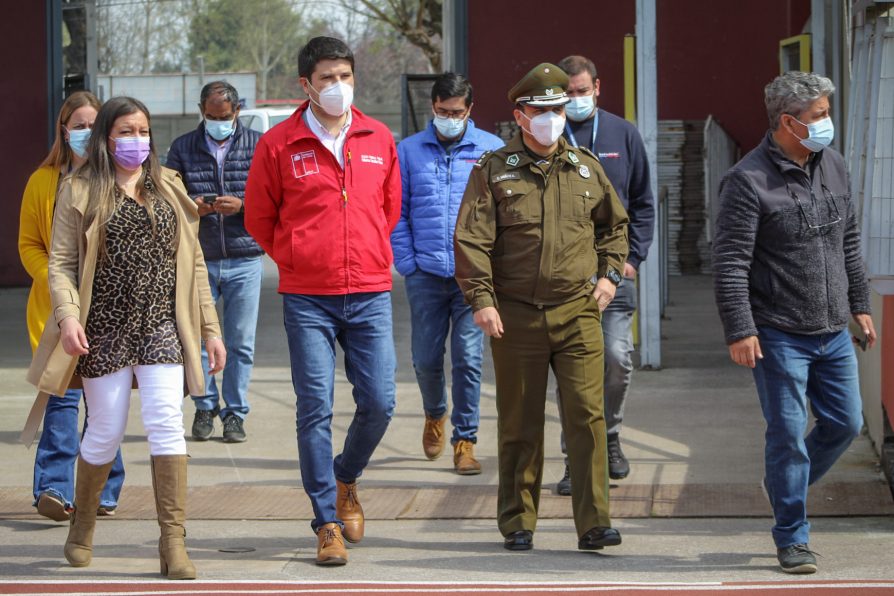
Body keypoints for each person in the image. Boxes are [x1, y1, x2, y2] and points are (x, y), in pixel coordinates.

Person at [26, 96, 225, 580]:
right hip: (104, 329)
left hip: (161, 325)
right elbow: (61, 264)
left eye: (142, 131)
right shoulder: (78, 189)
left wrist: (210, 329)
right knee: (105, 430)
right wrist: (70, 317)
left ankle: (173, 543)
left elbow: (193, 263)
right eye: (124, 132)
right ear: (105, 138)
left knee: (165, 423)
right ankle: (83, 529)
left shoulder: (170, 186)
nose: (136, 141)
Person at [454, 63, 629, 552]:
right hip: (516, 316)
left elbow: (615, 227)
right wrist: (481, 300)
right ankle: (517, 522)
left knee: (588, 418)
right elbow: (470, 238)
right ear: (521, 115)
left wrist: (609, 277)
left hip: (577, 313)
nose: (552, 117)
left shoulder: (586, 167)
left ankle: (594, 522)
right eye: (541, 110)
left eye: (557, 109)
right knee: (520, 422)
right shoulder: (494, 170)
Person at [245, 36, 400, 567]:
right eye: (327, 78)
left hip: (370, 291)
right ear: (305, 84)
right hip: (308, 297)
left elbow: (389, 208)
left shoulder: (378, 136)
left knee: (380, 402)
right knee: (313, 409)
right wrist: (296, 256)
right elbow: (258, 218)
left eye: (345, 76)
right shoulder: (280, 144)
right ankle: (326, 522)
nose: (338, 86)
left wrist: (368, 252)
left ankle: (346, 477)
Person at [712, 71, 875, 575]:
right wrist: (741, 330)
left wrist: (860, 304)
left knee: (845, 422)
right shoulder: (747, 180)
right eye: (819, 116)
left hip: (831, 330)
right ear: (789, 122)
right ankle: (792, 536)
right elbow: (730, 262)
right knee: (786, 433)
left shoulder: (836, 167)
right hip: (779, 331)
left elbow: (847, 242)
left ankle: (785, 484)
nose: (828, 124)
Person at [18, 91, 126, 522]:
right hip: (54, 314)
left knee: (104, 404)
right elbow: (29, 244)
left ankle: (101, 489)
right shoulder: (42, 181)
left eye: (92, 124)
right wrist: (57, 283)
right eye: (77, 124)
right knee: (60, 402)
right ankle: (53, 489)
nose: (85, 132)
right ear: (64, 131)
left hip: (107, 313)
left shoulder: (119, 178)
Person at [391, 73, 504, 475]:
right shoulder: (407, 152)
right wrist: (407, 262)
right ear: (432, 108)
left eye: (456, 112)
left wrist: (492, 268)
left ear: (469, 110)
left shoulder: (492, 151)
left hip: (472, 278)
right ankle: (434, 413)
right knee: (425, 358)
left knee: (469, 359)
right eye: (442, 111)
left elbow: (502, 216)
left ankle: (465, 439)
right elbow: (395, 212)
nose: (449, 118)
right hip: (425, 274)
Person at [552, 55, 655, 493]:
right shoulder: (547, 134)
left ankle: (609, 437)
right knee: (571, 370)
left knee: (615, 361)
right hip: (563, 279)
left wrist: (632, 259)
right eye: (567, 93)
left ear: (598, 87)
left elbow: (644, 202)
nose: (575, 99)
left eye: (581, 90)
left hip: (615, 272)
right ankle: (576, 457)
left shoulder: (623, 134)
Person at [166, 81, 263, 444]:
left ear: (237, 111)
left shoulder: (257, 145)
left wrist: (244, 205)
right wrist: (194, 205)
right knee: (198, 337)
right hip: (199, 256)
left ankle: (235, 413)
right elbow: (167, 196)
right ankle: (204, 405)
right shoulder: (183, 147)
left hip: (245, 256)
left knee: (240, 342)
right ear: (201, 111)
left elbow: (275, 197)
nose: (217, 122)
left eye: (223, 116)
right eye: (210, 116)